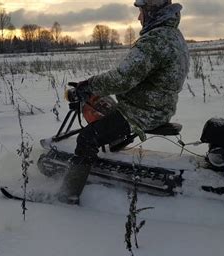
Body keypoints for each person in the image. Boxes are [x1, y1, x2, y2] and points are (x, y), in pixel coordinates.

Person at [58, 0, 190, 204]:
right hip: (157, 106)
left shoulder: (155, 41)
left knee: (87, 138)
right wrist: (96, 88)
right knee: (102, 102)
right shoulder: (173, 35)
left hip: (141, 112)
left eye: (141, 12)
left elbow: (122, 78)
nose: (139, 18)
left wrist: (87, 86)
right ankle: (115, 140)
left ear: (151, 11)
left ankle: (67, 196)